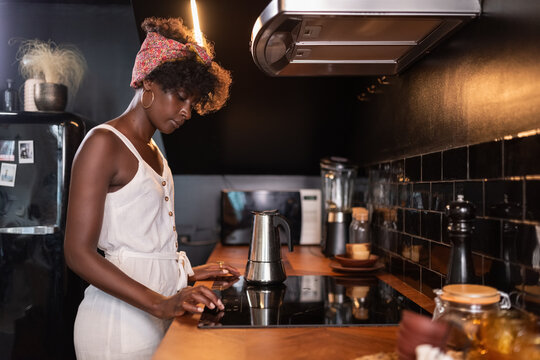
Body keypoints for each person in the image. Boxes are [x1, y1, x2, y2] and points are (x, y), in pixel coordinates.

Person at [64, 17, 239, 359]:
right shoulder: (103, 143)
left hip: (156, 314)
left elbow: (142, 243)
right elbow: (77, 253)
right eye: (181, 97)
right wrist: (160, 304)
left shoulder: (155, 151)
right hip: (116, 326)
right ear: (149, 84)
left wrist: (187, 273)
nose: (187, 112)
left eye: (194, 103)